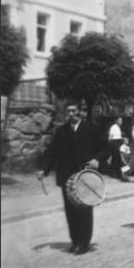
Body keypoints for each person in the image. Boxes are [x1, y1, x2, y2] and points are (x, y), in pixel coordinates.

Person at [38, 98, 110, 255]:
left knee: (83, 210)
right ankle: (75, 240)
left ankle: (83, 243)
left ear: (81, 112)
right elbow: (52, 153)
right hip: (66, 176)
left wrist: (96, 159)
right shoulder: (61, 131)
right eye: (69, 111)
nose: (71, 114)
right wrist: (44, 170)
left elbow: (106, 148)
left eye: (74, 111)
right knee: (70, 210)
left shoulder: (91, 129)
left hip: (84, 176)